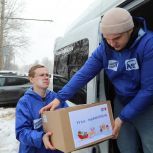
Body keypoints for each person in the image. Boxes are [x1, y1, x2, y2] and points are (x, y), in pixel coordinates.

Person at [40, 7, 153, 153]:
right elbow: (83, 74)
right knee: (125, 147)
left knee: (150, 145)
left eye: (117, 38)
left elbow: (149, 89)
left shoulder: (148, 44)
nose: (112, 43)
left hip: (147, 104)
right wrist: (59, 98)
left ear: (129, 30)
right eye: (107, 38)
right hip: (122, 101)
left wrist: (122, 118)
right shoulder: (104, 49)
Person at [15, 64, 68, 153]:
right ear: (31, 79)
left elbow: (68, 118)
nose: (46, 77)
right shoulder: (24, 102)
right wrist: (41, 137)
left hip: (57, 149)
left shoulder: (56, 98)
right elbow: (21, 132)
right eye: (41, 75)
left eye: (47, 75)